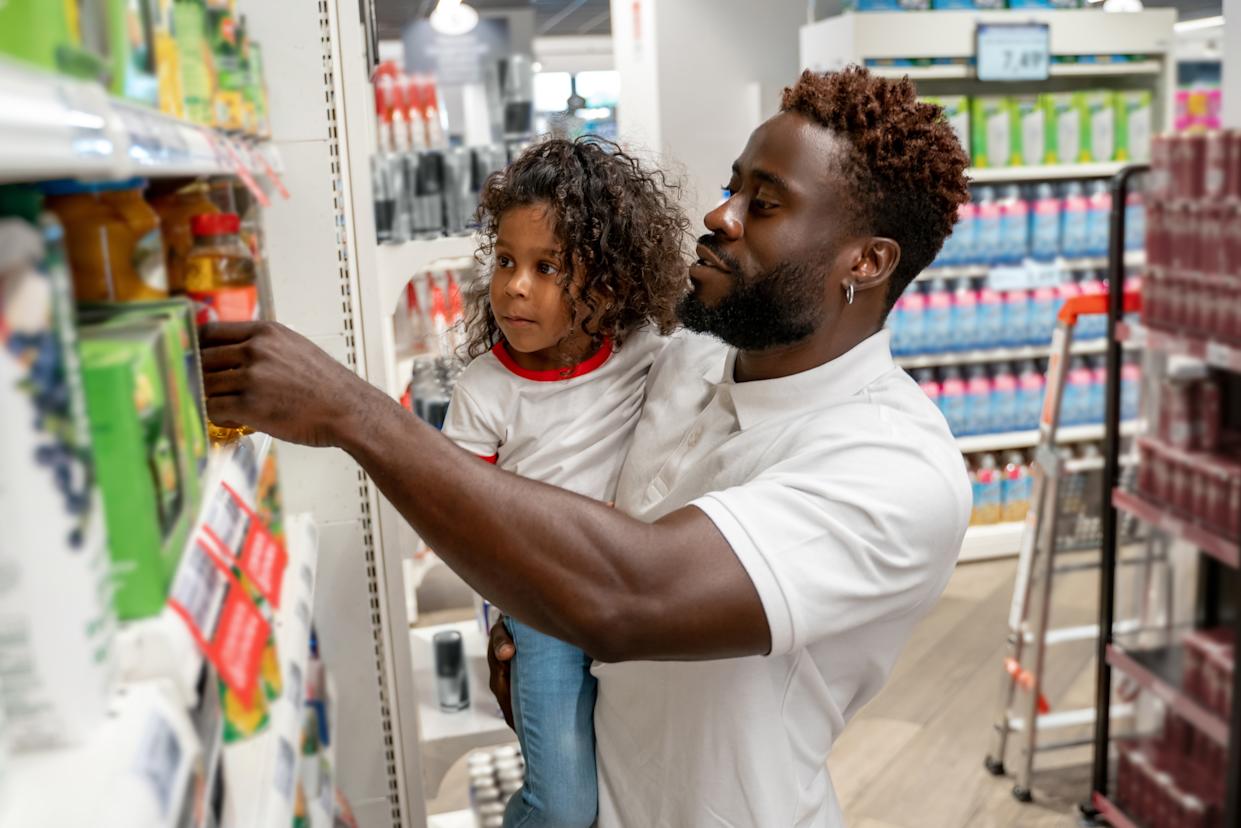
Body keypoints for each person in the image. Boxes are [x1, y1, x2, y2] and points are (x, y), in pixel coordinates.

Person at [199, 66, 972, 827]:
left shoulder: (894, 469)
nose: (721, 214)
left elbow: (631, 593)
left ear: (865, 262)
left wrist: (352, 412)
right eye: (732, 187)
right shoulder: (685, 358)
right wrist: (519, 616)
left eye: (762, 204)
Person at [443, 137, 688, 828]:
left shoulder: (645, 350)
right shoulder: (484, 390)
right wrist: (499, 616)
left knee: (628, 774)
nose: (515, 285)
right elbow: (462, 521)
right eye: (505, 261)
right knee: (562, 804)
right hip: (543, 612)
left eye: (547, 267)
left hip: (635, 595)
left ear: (607, 282)